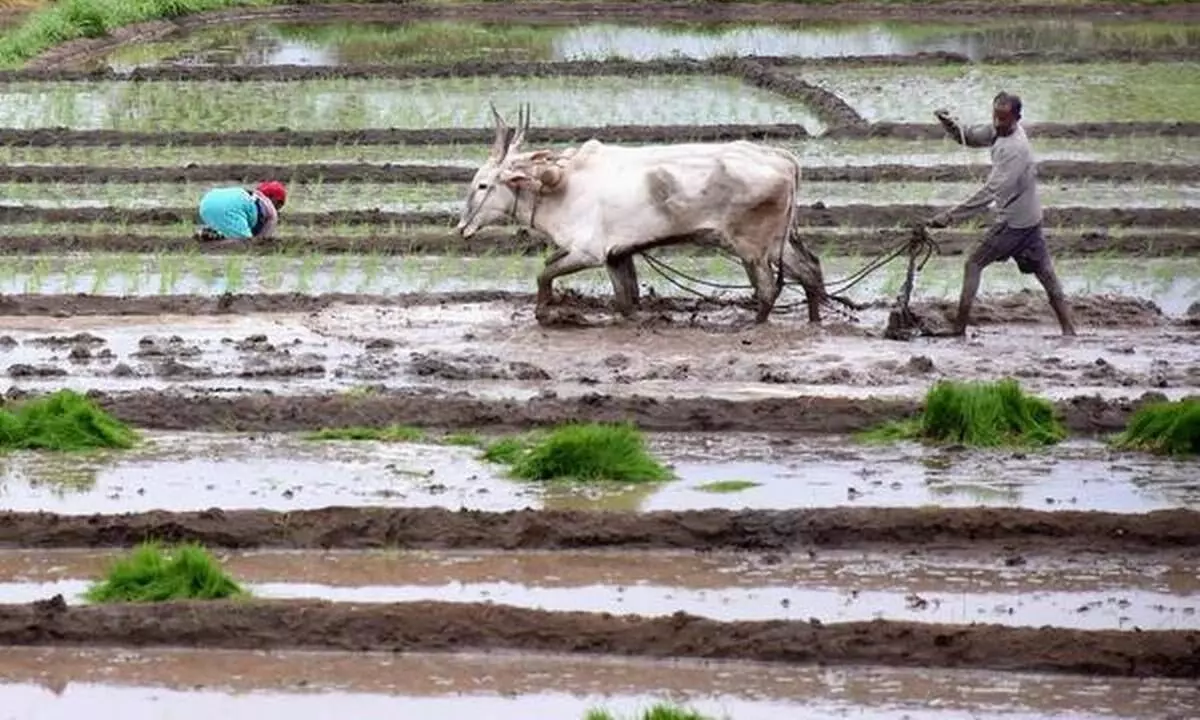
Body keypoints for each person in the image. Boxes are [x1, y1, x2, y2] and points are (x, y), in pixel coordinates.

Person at [926, 92, 1076, 337]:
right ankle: (1069, 332)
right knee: (1046, 274)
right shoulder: (1000, 131)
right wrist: (951, 126)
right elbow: (972, 137)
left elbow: (991, 191)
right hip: (1030, 220)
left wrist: (950, 216)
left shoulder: (1015, 149)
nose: (997, 122)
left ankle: (958, 328)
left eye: (1003, 119)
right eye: (995, 117)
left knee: (973, 263)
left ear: (1017, 118)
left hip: (1013, 224)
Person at [194, 181, 287, 244]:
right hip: (231, 207)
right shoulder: (271, 211)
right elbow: (262, 239)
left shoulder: (251, 195)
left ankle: (211, 234)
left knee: (227, 229)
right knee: (244, 243)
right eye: (280, 205)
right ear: (276, 201)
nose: (278, 209)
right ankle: (216, 240)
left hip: (207, 201)